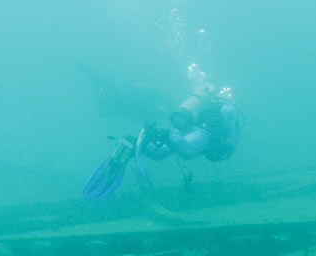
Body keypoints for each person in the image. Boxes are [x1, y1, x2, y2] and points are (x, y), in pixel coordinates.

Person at [82, 83, 243, 200]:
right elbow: (189, 135)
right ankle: (136, 146)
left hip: (209, 140)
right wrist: (155, 136)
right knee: (161, 151)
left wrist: (166, 135)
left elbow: (190, 147)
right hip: (196, 133)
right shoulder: (218, 108)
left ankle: (141, 145)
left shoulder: (220, 109)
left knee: (179, 145)